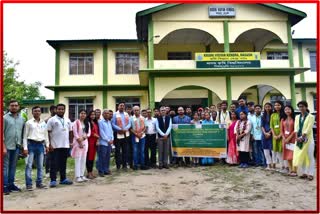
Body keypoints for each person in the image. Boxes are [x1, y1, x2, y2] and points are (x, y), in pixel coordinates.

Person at [47, 103, 73, 187]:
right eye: (59, 109)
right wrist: (49, 144)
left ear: (65, 110)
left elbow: (70, 132)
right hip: (55, 146)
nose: (61, 110)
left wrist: (70, 142)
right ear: (56, 110)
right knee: (54, 164)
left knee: (63, 163)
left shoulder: (67, 119)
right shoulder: (52, 120)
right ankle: (53, 180)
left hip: (65, 145)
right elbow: (48, 132)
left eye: (62, 109)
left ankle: (63, 179)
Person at [23, 106, 49, 190]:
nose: (37, 112)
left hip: (40, 145)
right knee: (29, 165)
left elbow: (46, 135)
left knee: (40, 165)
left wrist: (47, 145)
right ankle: (29, 184)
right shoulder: (28, 123)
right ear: (32, 112)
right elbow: (24, 137)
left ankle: (39, 183)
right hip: (31, 144)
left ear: (40, 112)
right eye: (35, 111)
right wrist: (25, 148)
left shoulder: (43, 123)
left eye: (38, 111)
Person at [3, 100, 25, 195]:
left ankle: (11, 184)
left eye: (16, 105)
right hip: (7, 146)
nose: (14, 107)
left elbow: (22, 133)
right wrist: (3, 147)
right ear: (9, 107)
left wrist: (23, 146)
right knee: (5, 167)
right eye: (12, 105)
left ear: (18, 107)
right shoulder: (4, 118)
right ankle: (4, 186)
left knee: (13, 166)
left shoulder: (22, 119)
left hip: (17, 146)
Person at [292, 101, 315, 180]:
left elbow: (308, 129)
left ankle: (311, 173)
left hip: (308, 139)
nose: (301, 108)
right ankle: (304, 172)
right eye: (300, 107)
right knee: (302, 156)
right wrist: (296, 137)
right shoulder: (297, 117)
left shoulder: (311, 117)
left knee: (310, 156)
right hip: (298, 139)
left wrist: (302, 136)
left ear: (306, 107)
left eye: (303, 106)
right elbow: (295, 128)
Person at [71, 109, 91, 183]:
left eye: (84, 113)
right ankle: (78, 176)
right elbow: (75, 133)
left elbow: (89, 133)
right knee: (78, 159)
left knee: (83, 159)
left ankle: (82, 175)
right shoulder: (76, 122)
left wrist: (84, 137)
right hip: (77, 142)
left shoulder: (87, 123)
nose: (83, 115)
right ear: (79, 114)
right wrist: (79, 141)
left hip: (85, 142)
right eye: (81, 113)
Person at [112, 102, 131, 170]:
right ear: (118, 107)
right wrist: (120, 129)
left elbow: (129, 123)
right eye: (121, 105)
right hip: (118, 134)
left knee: (125, 150)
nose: (122, 107)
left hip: (125, 134)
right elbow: (113, 124)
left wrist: (125, 129)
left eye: (123, 106)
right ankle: (118, 165)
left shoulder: (126, 114)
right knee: (117, 150)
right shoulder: (115, 114)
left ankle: (124, 165)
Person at [270, 100, 286, 173]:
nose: (277, 106)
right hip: (274, 136)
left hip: (282, 135)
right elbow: (271, 126)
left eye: (278, 105)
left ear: (281, 106)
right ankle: (277, 165)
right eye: (275, 105)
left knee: (281, 150)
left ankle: (283, 166)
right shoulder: (273, 115)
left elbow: (285, 126)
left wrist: (280, 135)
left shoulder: (284, 114)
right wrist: (274, 135)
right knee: (275, 150)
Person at [98, 109, 114, 176]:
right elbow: (102, 133)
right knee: (102, 157)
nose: (107, 114)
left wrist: (112, 139)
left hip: (109, 143)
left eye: (108, 113)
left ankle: (106, 170)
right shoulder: (100, 122)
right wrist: (108, 140)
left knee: (107, 157)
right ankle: (101, 171)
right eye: (105, 113)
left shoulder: (109, 122)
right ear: (102, 114)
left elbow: (111, 132)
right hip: (103, 143)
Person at [130, 106, 147, 170]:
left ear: (139, 110)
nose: (136, 111)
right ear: (133, 111)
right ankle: (136, 165)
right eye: (135, 110)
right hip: (134, 136)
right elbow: (130, 128)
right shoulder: (131, 118)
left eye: (137, 110)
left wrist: (141, 133)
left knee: (142, 151)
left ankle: (142, 165)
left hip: (142, 136)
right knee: (135, 151)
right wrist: (136, 134)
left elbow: (145, 127)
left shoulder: (143, 118)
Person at [281, 105, 295, 175]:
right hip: (285, 140)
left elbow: (295, 130)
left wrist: (289, 138)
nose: (287, 111)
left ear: (291, 110)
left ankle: (294, 170)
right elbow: (282, 130)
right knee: (287, 155)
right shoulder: (283, 119)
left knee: (293, 155)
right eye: (286, 110)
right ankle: (290, 169)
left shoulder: (294, 119)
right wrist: (284, 138)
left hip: (292, 139)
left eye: (289, 109)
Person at [86, 110, 99, 179]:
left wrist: (97, 139)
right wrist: (96, 136)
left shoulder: (95, 122)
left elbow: (97, 131)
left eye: (94, 114)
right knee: (89, 157)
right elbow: (89, 132)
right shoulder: (87, 123)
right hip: (89, 142)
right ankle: (89, 173)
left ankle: (91, 172)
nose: (93, 116)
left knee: (92, 157)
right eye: (91, 114)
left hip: (95, 142)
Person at [261, 103, 274, 170]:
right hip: (264, 134)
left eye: (269, 107)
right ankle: (268, 164)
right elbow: (262, 126)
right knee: (265, 150)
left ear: (271, 107)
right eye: (266, 107)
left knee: (272, 150)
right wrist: (265, 133)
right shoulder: (263, 116)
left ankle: (273, 164)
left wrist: (269, 133)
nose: (267, 108)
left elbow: (273, 126)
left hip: (272, 134)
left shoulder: (274, 115)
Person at [44, 105, 56, 177]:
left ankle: (55, 170)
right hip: (49, 140)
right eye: (55, 110)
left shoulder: (58, 119)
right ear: (51, 110)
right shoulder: (47, 120)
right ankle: (47, 171)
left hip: (56, 140)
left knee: (56, 157)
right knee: (49, 157)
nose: (56, 111)